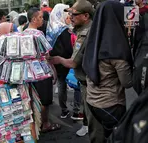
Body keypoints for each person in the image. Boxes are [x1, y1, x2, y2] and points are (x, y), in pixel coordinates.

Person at [49, 0, 105, 142]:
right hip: (91, 81)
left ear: (86, 16)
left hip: (89, 84)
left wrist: (58, 59)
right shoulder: (85, 29)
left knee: (95, 125)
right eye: (70, 14)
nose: (71, 17)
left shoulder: (85, 34)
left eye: (74, 14)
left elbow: (73, 63)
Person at [83, 1, 133, 141]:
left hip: (92, 100)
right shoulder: (116, 49)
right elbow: (127, 82)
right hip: (110, 104)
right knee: (117, 137)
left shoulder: (94, 38)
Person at [24, 7, 60, 133]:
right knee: (45, 100)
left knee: (33, 99)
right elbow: (47, 55)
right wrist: (53, 70)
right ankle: (45, 124)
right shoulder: (39, 34)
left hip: (28, 72)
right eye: (40, 17)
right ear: (33, 19)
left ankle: (35, 124)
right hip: (42, 72)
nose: (43, 20)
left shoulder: (23, 33)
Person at [46, 4, 74, 120]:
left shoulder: (51, 28)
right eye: (67, 14)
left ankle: (63, 110)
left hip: (54, 60)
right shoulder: (64, 30)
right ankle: (76, 110)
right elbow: (69, 48)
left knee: (61, 84)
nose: (69, 17)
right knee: (73, 83)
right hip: (65, 60)